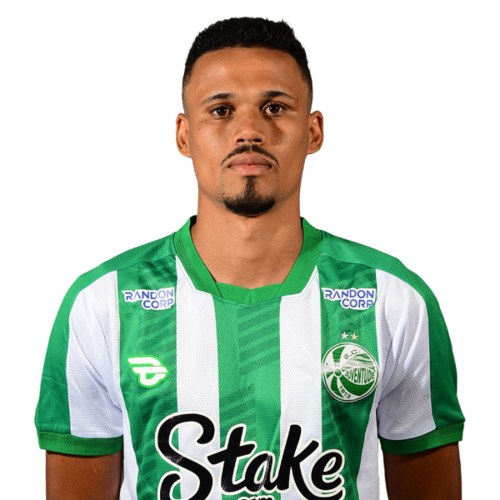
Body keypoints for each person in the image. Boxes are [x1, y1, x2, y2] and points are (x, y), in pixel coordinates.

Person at [34, 15, 466, 500]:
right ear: (183, 134)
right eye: (221, 110)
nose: (249, 131)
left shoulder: (393, 299)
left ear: (315, 130)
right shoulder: (101, 303)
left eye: (275, 108)